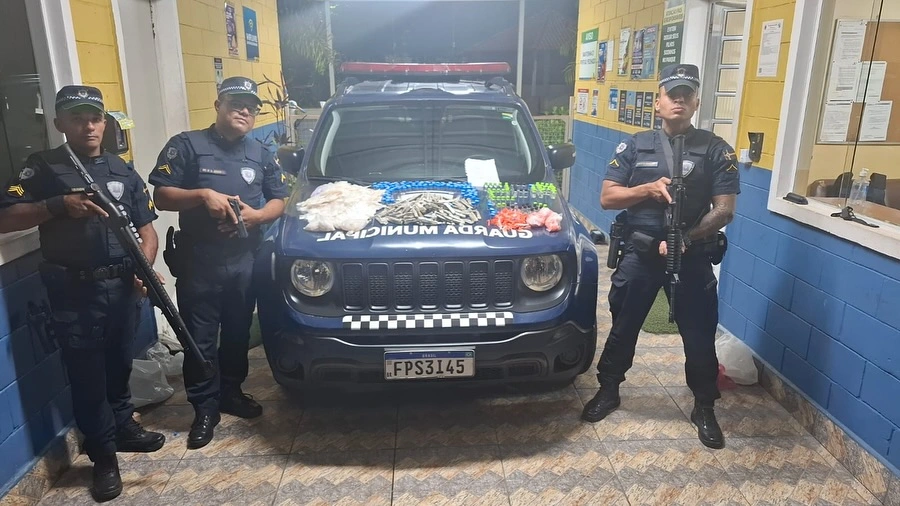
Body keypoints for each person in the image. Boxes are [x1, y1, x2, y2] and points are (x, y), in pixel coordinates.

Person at [0, 85, 165, 502]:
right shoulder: (41, 168)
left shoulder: (120, 169)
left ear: (104, 122)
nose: (88, 125)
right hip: (76, 292)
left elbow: (146, 230)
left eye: (94, 117)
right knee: (88, 376)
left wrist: (143, 270)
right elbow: (5, 217)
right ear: (59, 124)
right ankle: (103, 457)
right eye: (77, 118)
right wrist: (56, 206)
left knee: (120, 363)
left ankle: (124, 426)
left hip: (123, 287)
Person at [581, 64, 739, 449]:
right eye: (672, 93)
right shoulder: (635, 146)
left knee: (699, 335)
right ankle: (609, 389)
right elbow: (608, 197)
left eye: (687, 93)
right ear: (659, 102)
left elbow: (724, 210)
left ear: (697, 101)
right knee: (623, 326)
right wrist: (647, 190)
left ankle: (704, 405)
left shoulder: (717, 149)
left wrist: (686, 237)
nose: (679, 99)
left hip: (691, 253)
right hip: (641, 253)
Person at [149, 76, 289, 449]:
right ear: (218, 105)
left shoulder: (260, 153)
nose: (244, 110)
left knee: (239, 333)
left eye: (251, 106)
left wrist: (259, 217)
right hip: (200, 262)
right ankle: (204, 407)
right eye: (236, 103)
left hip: (245, 259)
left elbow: (280, 199)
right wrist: (202, 195)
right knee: (200, 338)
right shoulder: (187, 146)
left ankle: (231, 392)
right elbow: (161, 196)